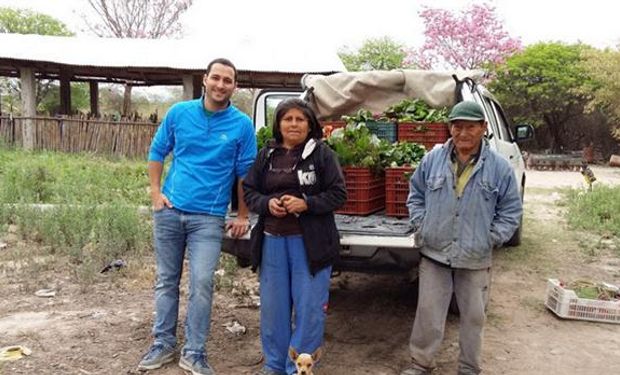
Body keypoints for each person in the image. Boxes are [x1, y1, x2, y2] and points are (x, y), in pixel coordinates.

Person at [138, 58, 257, 375]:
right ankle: (162, 344)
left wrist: (242, 214)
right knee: (166, 280)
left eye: (227, 80)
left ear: (235, 86)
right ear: (205, 80)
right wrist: (154, 193)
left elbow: (245, 174)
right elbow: (157, 151)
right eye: (215, 78)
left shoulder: (241, 125)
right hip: (170, 211)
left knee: (202, 282)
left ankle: (194, 352)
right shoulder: (179, 113)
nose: (220, 85)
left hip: (209, 217)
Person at [401, 101, 522, 375]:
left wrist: (492, 237)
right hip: (434, 251)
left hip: (476, 256)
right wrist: (423, 223)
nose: (463, 132)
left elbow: (511, 210)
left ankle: (469, 368)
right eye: (457, 126)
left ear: (483, 128)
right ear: (450, 128)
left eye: (470, 126)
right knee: (428, 313)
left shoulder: (500, 168)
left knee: (473, 317)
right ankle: (421, 364)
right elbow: (416, 194)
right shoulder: (432, 160)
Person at [243, 98, 347, 375]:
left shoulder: (323, 155)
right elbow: (250, 190)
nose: (293, 124)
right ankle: (275, 366)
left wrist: (306, 204)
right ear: (278, 123)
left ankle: (300, 368)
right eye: (287, 119)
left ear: (310, 124)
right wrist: (267, 204)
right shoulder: (267, 155)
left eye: (300, 119)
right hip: (272, 242)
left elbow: (338, 194)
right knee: (273, 311)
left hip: (309, 244)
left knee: (309, 309)